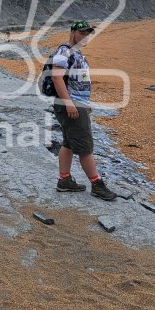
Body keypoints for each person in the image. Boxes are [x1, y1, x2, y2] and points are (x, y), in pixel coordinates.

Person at [50, 22, 117, 201]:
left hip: (77, 103)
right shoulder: (65, 51)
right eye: (82, 33)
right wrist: (69, 103)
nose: (86, 36)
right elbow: (57, 77)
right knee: (85, 147)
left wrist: (84, 103)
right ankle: (97, 185)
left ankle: (64, 180)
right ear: (72, 32)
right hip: (71, 104)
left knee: (69, 143)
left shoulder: (77, 53)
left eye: (88, 33)